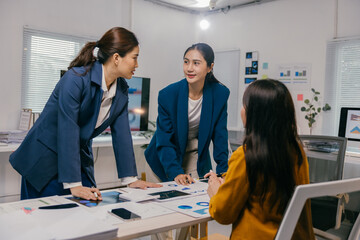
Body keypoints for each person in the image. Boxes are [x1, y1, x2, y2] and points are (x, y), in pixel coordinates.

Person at [10, 27, 161, 201]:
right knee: (43, 220)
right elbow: (68, 128)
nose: (137, 65)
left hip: (75, 158)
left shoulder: (121, 90)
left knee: (81, 216)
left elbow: (122, 134)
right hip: (44, 158)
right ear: (117, 58)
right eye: (134, 58)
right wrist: (74, 183)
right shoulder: (75, 79)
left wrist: (131, 179)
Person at [206, 79, 315, 239]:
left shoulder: (245, 155)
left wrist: (216, 191)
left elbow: (223, 214)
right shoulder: (296, 151)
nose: (242, 110)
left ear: (255, 114)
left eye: (245, 105)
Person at [145, 43, 229, 185]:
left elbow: (220, 135)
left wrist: (223, 172)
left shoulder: (220, 94)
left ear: (210, 67)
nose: (189, 68)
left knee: (194, 198)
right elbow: (165, 139)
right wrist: (175, 172)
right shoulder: (168, 95)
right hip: (163, 158)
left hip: (195, 156)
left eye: (196, 63)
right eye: (186, 62)